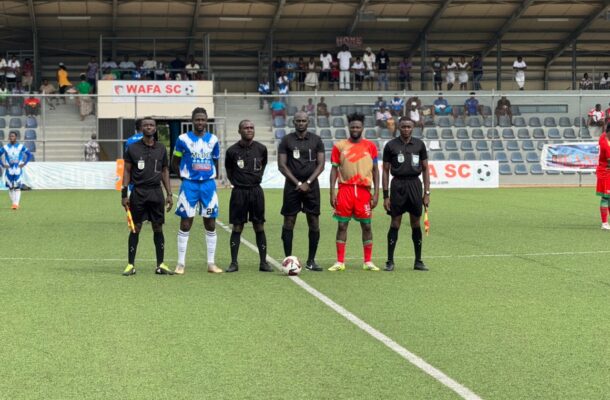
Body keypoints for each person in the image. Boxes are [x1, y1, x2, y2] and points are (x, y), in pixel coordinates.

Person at [172, 107, 223, 275]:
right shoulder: (182, 139)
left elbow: (215, 161)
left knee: (210, 222)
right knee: (186, 223)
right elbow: (175, 161)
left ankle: (211, 264)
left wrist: (210, 176)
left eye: (203, 119)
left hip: (208, 186)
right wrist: (184, 178)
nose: (200, 122)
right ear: (192, 121)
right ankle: (180, 264)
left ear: (206, 121)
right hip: (189, 185)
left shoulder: (214, 139)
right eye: (197, 119)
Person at [121, 117, 173, 276]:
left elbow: (165, 171)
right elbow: (127, 171)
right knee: (135, 228)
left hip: (156, 193)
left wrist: (169, 194)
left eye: (151, 125)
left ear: (155, 128)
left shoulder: (162, 149)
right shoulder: (132, 148)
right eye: (146, 125)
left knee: (158, 227)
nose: (149, 127)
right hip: (139, 192)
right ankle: (130, 265)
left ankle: (161, 264)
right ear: (141, 128)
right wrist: (124, 194)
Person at [329, 112, 380, 272]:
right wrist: (332, 192)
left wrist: (377, 193)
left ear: (362, 128)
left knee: (367, 226)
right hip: (345, 190)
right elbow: (334, 170)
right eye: (353, 127)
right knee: (342, 225)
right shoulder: (339, 146)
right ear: (349, 128)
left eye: (358, 126)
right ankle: (340, 261)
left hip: (364, 192)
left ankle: (368, 261)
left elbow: (376, 171)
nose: (355, 129)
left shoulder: (371, 146)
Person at [278, 111, 325, 271]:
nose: (300, 123)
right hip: (292, 187)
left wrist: (308, 182)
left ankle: (311, 261)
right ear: (293, 122)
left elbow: (321, 164)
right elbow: (282, 165)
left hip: (312, 187)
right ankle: (288, 259)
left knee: (313, 222)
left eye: (303, 120)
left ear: (308, 122)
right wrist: (298, 182)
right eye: (298, 120)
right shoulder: (286, 140)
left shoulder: (316, 140)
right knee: (289, 221)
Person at [382, 118, 430, 271]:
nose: (406, 129)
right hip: (397, 185)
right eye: (403, 127)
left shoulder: (419, 145)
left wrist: (427, 192)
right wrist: (385, 195)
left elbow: (425, 169)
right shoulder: (390, 146)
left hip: (415, 185)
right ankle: (390, 261)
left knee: (416, 223)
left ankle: (418, 261)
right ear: (398, 127)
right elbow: (385, 171)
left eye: (409, 127)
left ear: (413, 128)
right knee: (395, 223)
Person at [224, 120, 272, 273]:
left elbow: (263, 166)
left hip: (256, 191)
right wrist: (239, 182)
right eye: (246, 128)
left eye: (252, 127)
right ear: (239, 131)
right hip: (239, 192)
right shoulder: (232, 151)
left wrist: (254, 179)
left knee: (259, 225)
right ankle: (233, 263)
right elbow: (229, 170)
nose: (249, 130)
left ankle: (263, 262)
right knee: (237, 226)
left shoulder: (261, 149)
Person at [0, 131, 32, 210]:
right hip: (9, 171)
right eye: (10, 136)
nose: (11, 138)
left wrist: (24, 163)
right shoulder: (6, 147)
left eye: (13, 136)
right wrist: (2, 164)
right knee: (11, 187)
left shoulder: (21, 147)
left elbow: (29, 154)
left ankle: (16, 204)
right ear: (9, 138)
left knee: (17, 187)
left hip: (18, 170)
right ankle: (14, 203)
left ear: (16, 137)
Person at [597, 125, 610, 230]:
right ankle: (604, 223)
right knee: (606, 197)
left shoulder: (603, 136)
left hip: (605, 170)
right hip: (605, 172)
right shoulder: (606, 145)